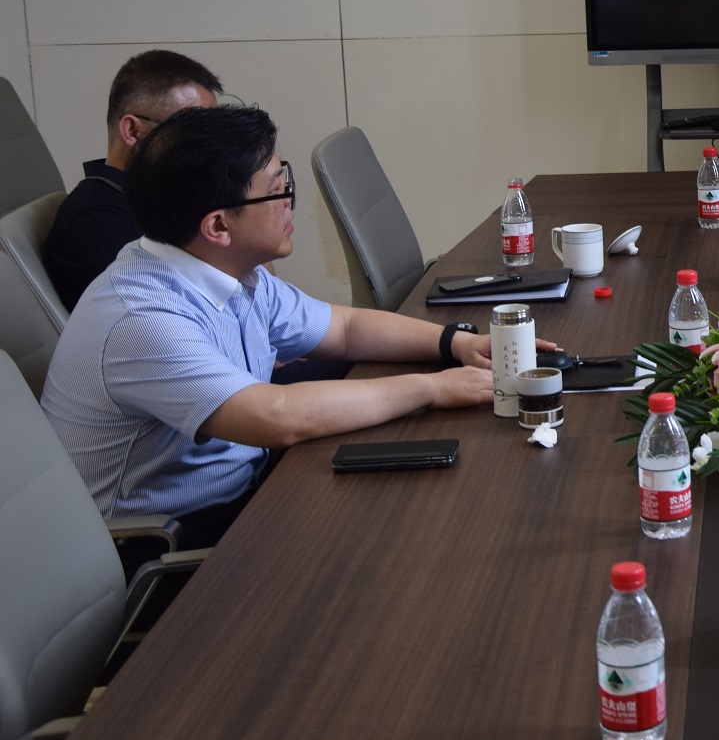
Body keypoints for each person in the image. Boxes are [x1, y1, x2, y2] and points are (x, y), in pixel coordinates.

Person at [39, 105, 538, 545]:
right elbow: (278, 417)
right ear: (218, 226)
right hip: (170, 542)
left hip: (245, 489)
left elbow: (343, 329)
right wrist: (433, 388)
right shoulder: (143, 318)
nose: (289, 201)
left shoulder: (227, 268)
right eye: (276, 191)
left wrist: (455, 343)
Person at [43, 50, 223, 310]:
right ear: (133, 131)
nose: (211, 149)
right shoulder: (97, 221)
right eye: (193, 131)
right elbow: (171, 317)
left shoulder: (160, 200)